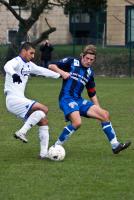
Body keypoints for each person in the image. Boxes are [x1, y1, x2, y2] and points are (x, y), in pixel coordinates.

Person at [48, 44, 131, 154]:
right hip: (66, 98)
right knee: (77, 122)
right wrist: (63, 73)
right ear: (82, 56)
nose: (89, 61)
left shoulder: (89, 73)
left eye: (91, 59)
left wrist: (98, 108)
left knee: (104, 114)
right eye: (87, 58)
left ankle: (115, 145)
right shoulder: (71, 62)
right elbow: (51, 66)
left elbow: (92, 93)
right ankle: (56, 146)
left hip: (78, 100)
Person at [4, 42, 60, 159]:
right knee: (44, 108)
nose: (33, 56)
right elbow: (7, 66)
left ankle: (43, 154)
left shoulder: (29, 65)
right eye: (31, 53)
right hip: (13, 99)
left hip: (20, 99)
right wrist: (14, 74)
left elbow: (42, 70)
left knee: (43, 119)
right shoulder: (16, 61)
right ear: (24, 51)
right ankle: (22, 132)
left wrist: (59, 75)